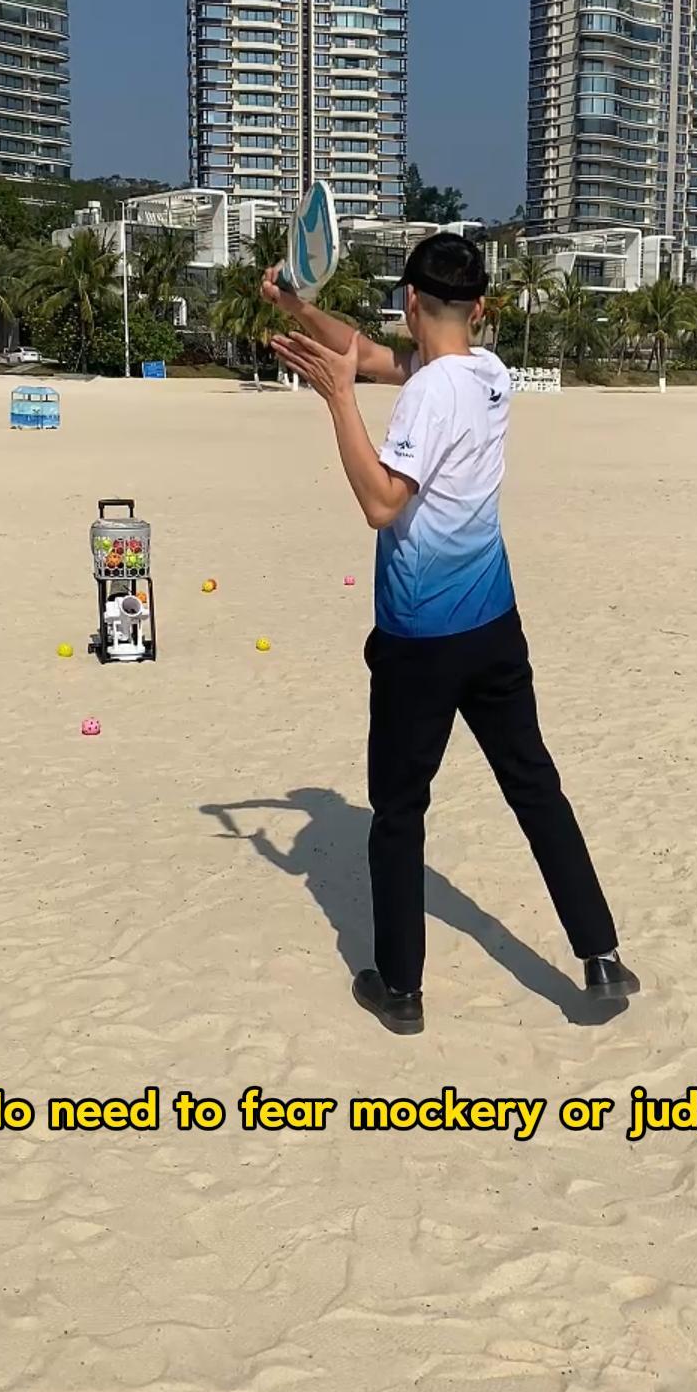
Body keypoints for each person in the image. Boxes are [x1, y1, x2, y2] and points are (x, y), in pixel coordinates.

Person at [263, 231, 635, 1035]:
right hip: (494, 626)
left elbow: (381, 503)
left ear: (409, 300)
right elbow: (371, 354)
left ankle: (401, 990)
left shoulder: (428, 395)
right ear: (479, 306)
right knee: (534, 787)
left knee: (399, 812)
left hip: (420, 640)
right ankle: (601, 957)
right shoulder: (488, 372)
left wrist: (337, 399)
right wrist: (299, 308)